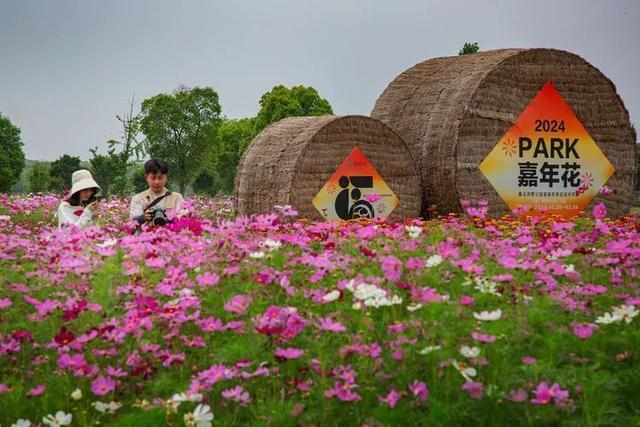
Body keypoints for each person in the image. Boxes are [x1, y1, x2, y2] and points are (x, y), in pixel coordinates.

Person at [129, 159, 184, 226]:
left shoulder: (177, 197)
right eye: (153, 178)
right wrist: (143, 217)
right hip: (146, 235)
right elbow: (133, 220)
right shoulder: (138, 198)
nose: (156, 182)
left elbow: (182, 218)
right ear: (146, 177)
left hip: (170, 235)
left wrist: (168, 218)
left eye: (160, 178)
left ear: (167, 177)